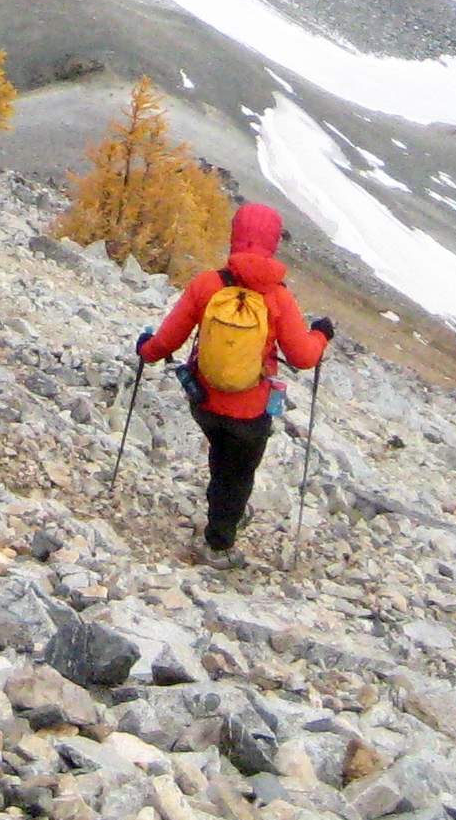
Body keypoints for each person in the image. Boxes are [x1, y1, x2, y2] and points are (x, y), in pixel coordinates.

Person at [135, 201, 332, 563]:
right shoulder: (278, 297)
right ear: (273, 242)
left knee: (220, 457)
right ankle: (219, 542)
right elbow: (304, 357)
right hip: (251, 410)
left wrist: (145, 350)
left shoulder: (208, 284)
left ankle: (221, 512)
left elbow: (168, 340)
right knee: (238, 473)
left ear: (235, 236)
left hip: (205, 401)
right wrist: (321, 335)